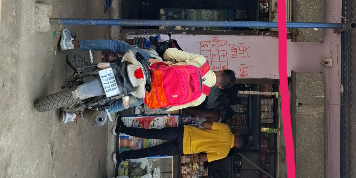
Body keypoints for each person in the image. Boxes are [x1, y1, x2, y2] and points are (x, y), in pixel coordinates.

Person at [59, 29, 236, 114]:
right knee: (127, 102)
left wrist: (168, 62)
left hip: (151, 69)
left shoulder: (202, 63)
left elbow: (169, 53)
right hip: (149, 94)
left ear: (220, 70)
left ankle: (72, 44)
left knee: (119, 46)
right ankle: (91, 112)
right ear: (220, 87)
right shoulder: (201, 97)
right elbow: (170, 107)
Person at [115, 119, 246, 165]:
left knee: (152, 134)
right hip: (184, 148)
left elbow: (205, 124)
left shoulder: (226, 129)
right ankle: (122, 157)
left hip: (184, 133)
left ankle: (122, 129)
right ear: (237, 146)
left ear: (237, 134)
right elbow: (202, 158)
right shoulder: (224, 152)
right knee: (152, 151)